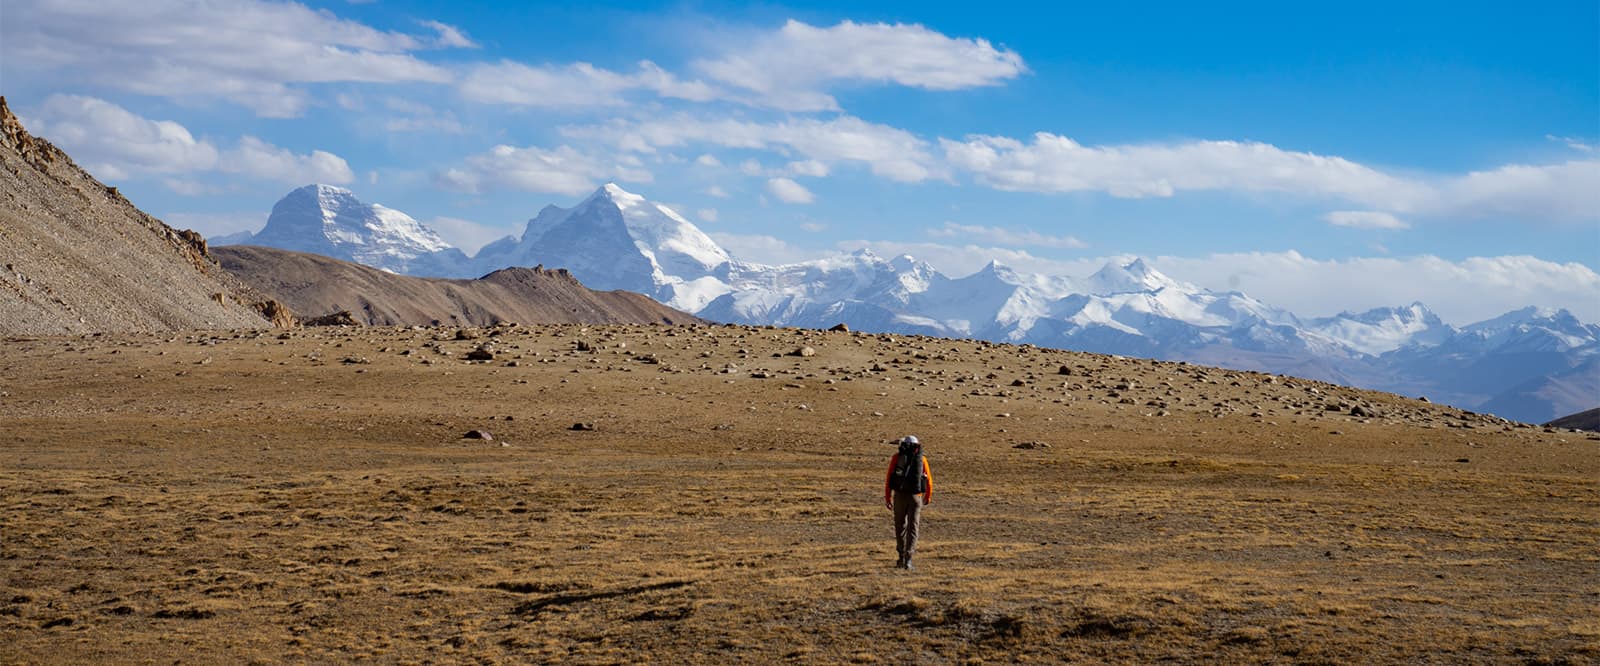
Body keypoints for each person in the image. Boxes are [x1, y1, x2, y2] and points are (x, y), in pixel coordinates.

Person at [884, 435, 933, 570]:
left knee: (900, 527)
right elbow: (928, 480)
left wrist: (888, 497)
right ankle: (909, 559)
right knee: (913, 527)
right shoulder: (922, 459)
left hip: (899, 495)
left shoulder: (896, 458)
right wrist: (927, 496)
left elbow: (890, 478)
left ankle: (900, 556)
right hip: (915, 497)